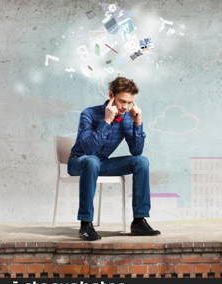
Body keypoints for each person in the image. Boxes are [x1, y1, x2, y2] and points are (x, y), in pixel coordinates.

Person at [68, 76, 160, 241]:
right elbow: (90, 149)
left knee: (142, 162)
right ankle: (86, 223)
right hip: (79, 161)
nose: (125, 107)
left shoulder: (126, 118)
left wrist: (138, 123)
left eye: (129, 102)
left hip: (101, 163)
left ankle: (139, 221)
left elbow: (136, 151)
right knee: (92, 160)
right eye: (121, 101)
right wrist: (107, 121)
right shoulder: (88, 113)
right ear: (111, 95)